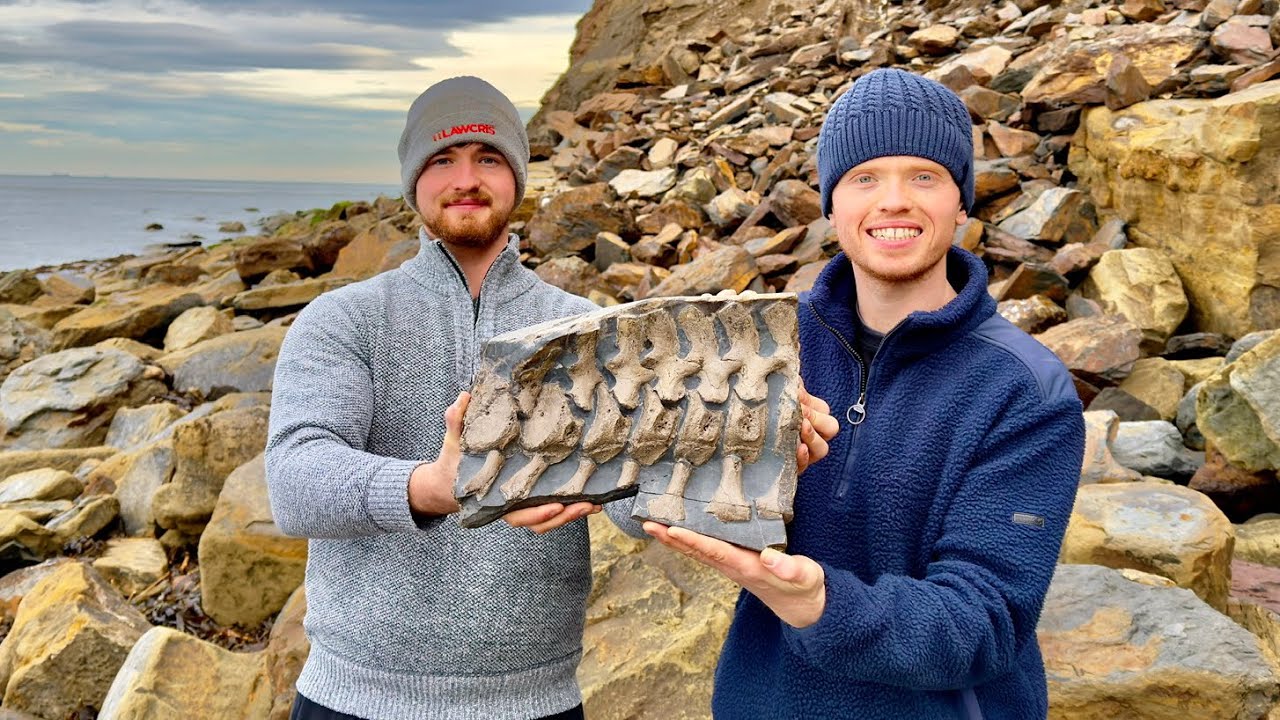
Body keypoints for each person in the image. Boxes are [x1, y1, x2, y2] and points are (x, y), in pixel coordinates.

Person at [265, 75, 834, 720]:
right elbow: (293, 482)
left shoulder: (587, 329)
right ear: (412, 181)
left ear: (517, 177)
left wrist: (750, 448)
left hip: (534, 702)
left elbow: (633, 502)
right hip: (355, 698)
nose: (466, 179)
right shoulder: (343, 319)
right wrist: (439, 484)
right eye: (442, 160)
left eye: (488, 159)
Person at [644, 68, 1086, 720]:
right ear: (830, 204)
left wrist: (819, 602)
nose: (895, 200)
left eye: (925, 177)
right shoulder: (760, 344)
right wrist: (725, 475)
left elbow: (984, 621)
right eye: (865, 178)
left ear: (961, 202)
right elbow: (651, 503)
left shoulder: (1027, 389)